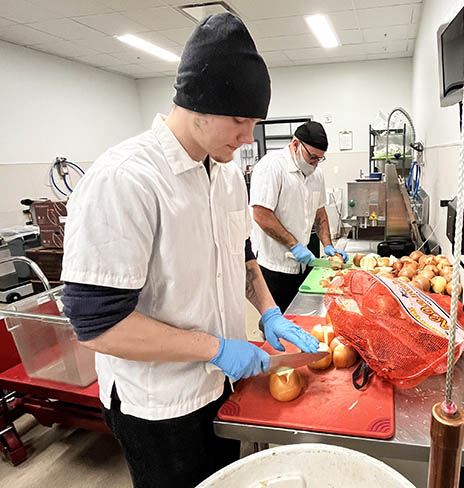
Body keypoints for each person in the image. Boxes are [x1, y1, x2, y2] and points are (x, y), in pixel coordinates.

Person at [60, 14, 318, 488]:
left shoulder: (223, 177)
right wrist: (215, 348)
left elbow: (240, 255)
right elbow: (97, 325)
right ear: (196, 104)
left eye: (253, 123)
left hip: (218, 389)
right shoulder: (126, 179)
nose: (247, 138)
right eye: (239, 121)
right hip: (159, 406)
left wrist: (268, 310)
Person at [249, 122, 348, 312]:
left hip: (305, 265)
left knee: (304, 314)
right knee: (280, 320)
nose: (315, 163)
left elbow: (320, 214)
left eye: (320, 159)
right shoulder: (271, 166)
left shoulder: (316, 174)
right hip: (275, 266)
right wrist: (294, 245)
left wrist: (328, 245)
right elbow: (261, 215)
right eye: (312, 157)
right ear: (295, 144)